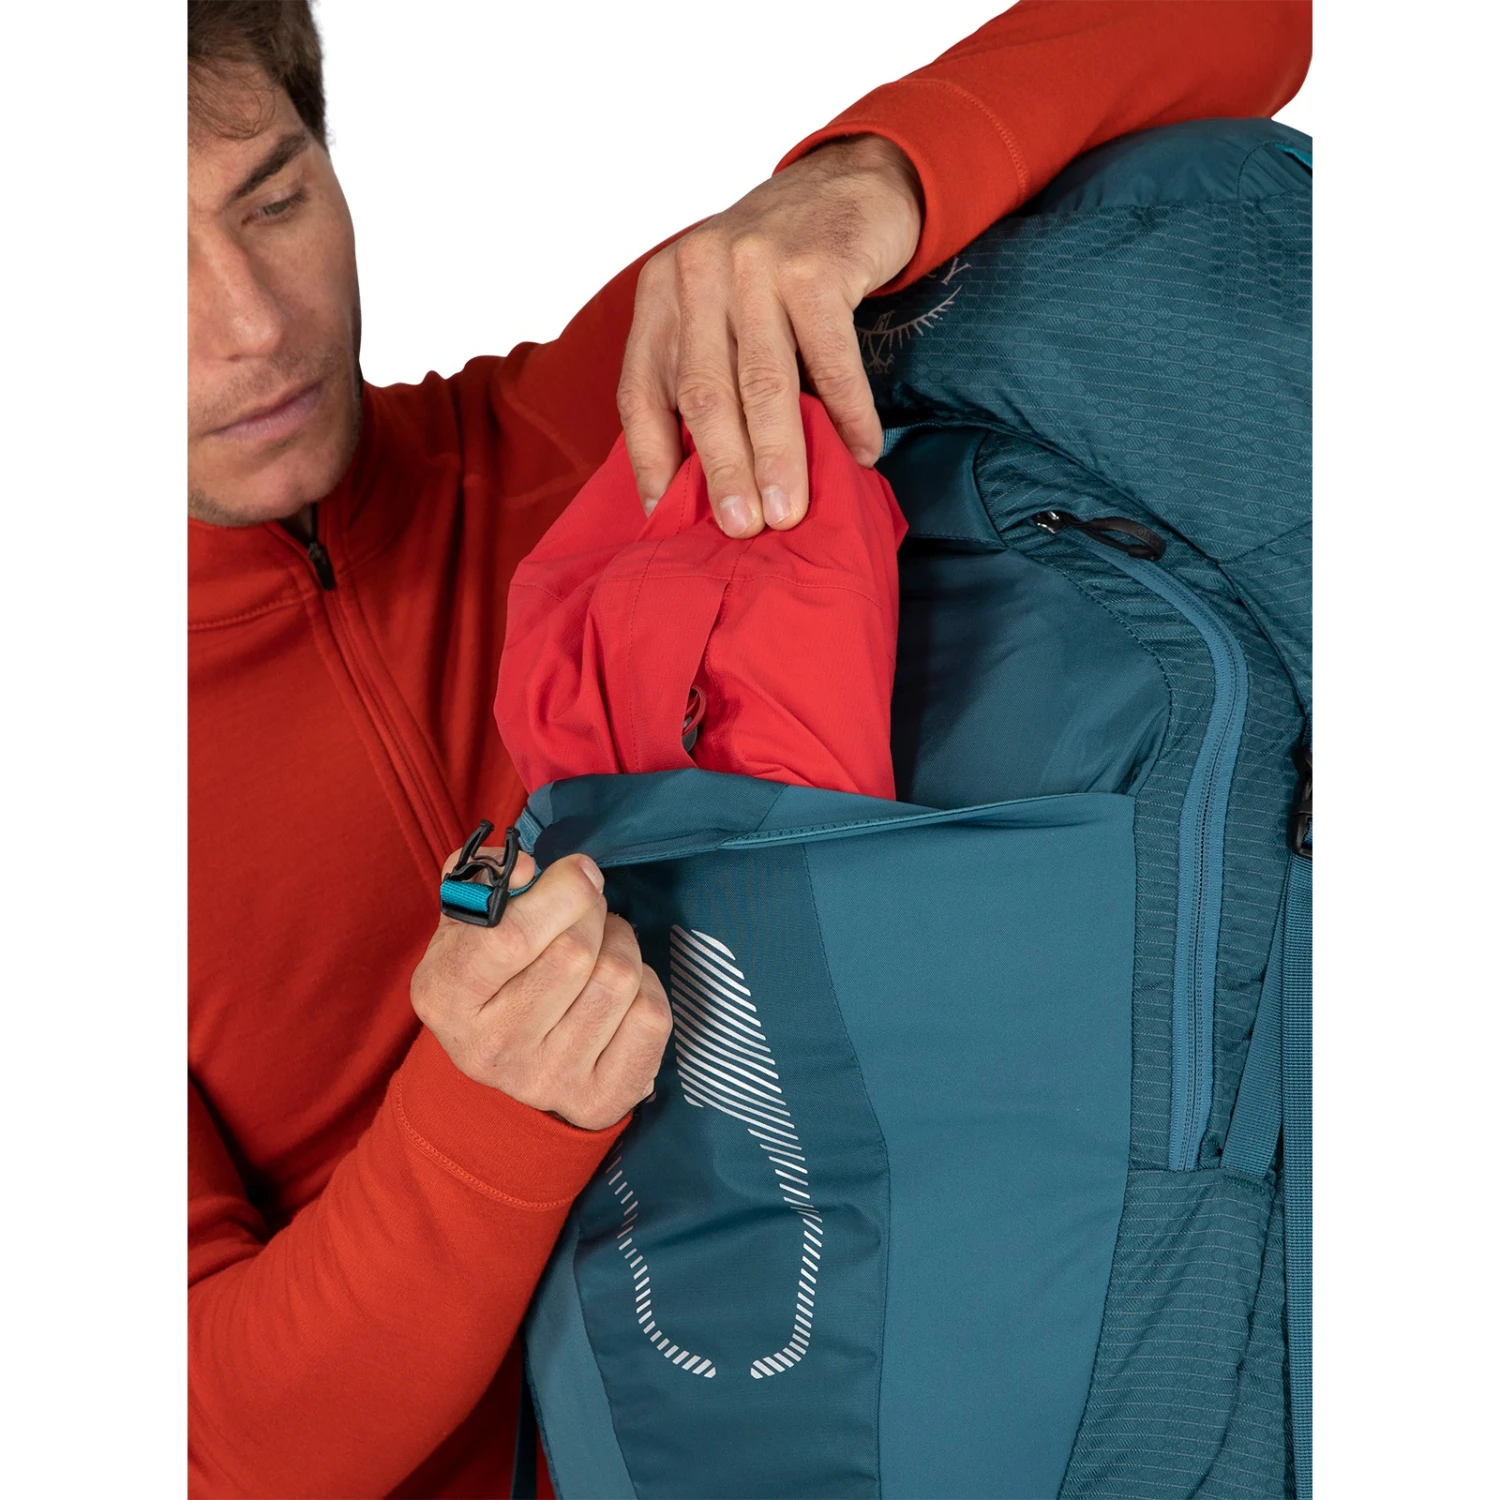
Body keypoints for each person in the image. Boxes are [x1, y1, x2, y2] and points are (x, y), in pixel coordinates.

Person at [187, 2, 1311, 1494]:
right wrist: (489, 1112)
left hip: (1039, 1375)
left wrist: (867, 179)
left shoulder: (615, 429)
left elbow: (1242, 21)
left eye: (272, 200)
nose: (252, 326)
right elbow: (203, 1446)